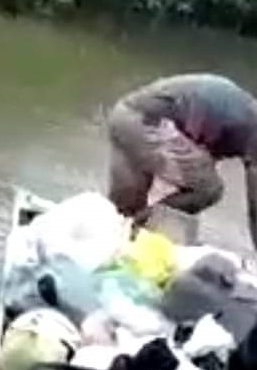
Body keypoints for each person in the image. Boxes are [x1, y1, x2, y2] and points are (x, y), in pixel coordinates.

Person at [106, 73, 257, 248]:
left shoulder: (242, 113)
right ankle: (141, 229)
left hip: (125, 114)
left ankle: (131, 233)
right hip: (148, 122)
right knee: (208, 189)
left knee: (124, 212)